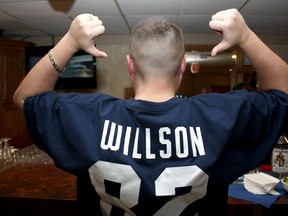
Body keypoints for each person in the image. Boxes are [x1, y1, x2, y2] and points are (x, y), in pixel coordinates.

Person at [13, 8, 288, 216]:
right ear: (182, 65)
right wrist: (247, 36)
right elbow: (283, 94)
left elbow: (24, 97)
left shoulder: (88, 115)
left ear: (130, 65)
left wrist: (70, 41)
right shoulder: (222, 114)